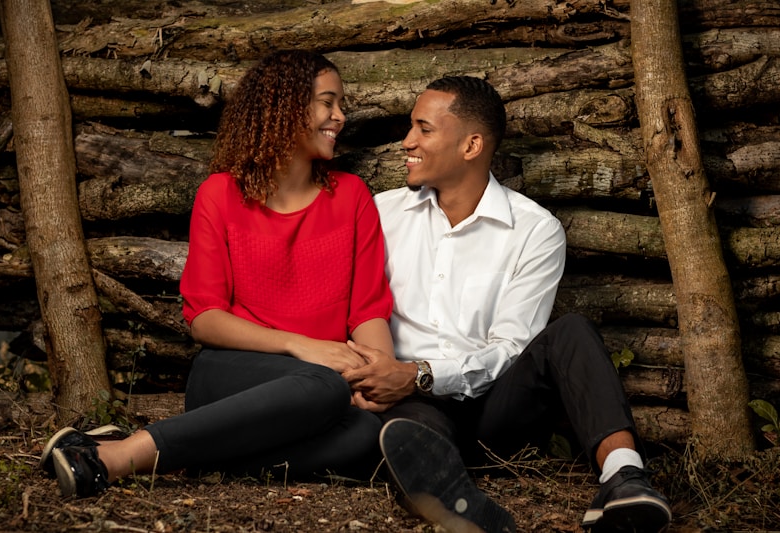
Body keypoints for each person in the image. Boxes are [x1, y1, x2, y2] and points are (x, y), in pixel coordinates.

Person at [39, 50, 394, 498]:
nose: (339, 117)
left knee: (365, 433)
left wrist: (375, 373)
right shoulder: (220, 195)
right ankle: (115, 458)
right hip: (231, 376)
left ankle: (181, 454)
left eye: (339, 104)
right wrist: (299, 346)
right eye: (328, 102)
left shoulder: (352, 196)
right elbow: (205, 317)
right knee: (323, 386)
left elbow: (367, 308)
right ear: (284, 107)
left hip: (322, 392)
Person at [343, 76, 672, 532]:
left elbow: (513, 347)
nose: (407, 141)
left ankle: (625, 476)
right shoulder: (381, 213)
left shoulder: (534, 231)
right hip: (407, 404)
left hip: (494, 410)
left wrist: (423, 373)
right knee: (412, 430)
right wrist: (383, 374)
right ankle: (458, 499)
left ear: (471, 145)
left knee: (571, 331)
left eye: (424, 128)